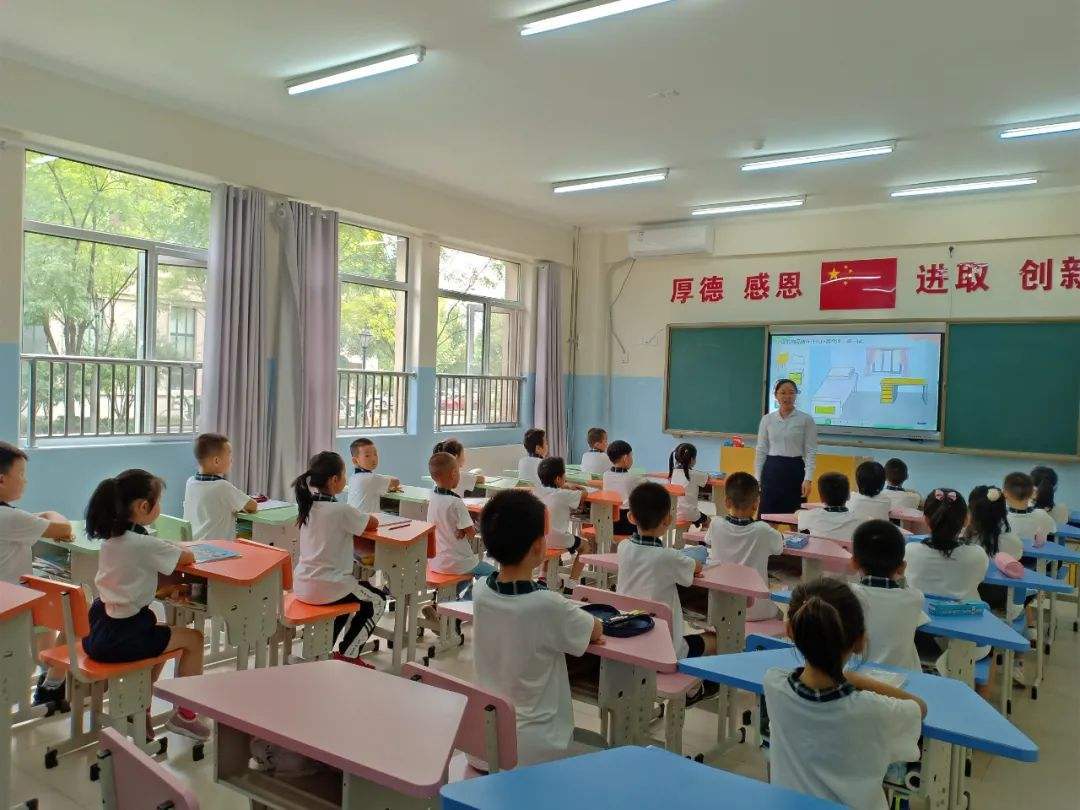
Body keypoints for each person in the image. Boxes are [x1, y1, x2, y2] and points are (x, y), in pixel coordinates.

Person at [764, 578, 925, 810]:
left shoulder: (774, 684)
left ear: (789, 631)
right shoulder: (875, 709)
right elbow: (919, 708)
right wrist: (856, 678)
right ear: (859, 642)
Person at [473, 489, 602, 766]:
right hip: (534, 749)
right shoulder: (548, 605)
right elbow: (595, 631)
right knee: (606, 753)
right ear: (537, 548)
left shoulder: (480, 590)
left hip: (483, 742)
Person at [83, 469, 210, 741]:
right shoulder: (142, 543)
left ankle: (140, 710)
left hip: (100, 631)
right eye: (158, 501)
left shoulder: (112, 539)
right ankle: (185, 716)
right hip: (125, 637)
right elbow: (186, 557)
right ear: (143, 506)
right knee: (194, 639)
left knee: (161, 637)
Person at [291, 451, 385, 668]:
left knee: (350, 597)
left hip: (303, 584)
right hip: (327, 585)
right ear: (334, 480)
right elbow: (371, 523)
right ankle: (350, 655)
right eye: (343, 475)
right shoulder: (341, 510)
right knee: (378, 600)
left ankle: (327, 649)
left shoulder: (307, 505)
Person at [0, 442, 73, 707]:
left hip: (14, 603)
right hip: (13, 608)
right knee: (75, 610)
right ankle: (53, 683)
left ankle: (47, 680)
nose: (25, 481)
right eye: (21, 474)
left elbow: (24, 522)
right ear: (2, 479)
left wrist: (37, 518)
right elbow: (63, 528)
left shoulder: (11, 517)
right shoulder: (10, 519)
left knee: (47, 619)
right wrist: (50, 513)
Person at [616, 481, 714, 659]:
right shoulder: (669, 557)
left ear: (630, 517)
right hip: (666, 649)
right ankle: (709, 684)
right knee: (716, 639)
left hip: (628, 638)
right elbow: (696, 567)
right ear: (668, 519)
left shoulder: (623, 547)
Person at [850, 520, 928, 671]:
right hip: (902, 683)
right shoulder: (915, 598)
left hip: (856, 678)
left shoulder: (845, 595)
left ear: (854, 562)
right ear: (902, 566)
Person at [705, 472, 783, 620]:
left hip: (721, 608)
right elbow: (779, 548)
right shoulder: (763, 530)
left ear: (727, 502)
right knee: (780, 614)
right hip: (756, 610)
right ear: (756, 503)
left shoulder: (715, 524)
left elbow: (708, 540)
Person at [904, 488, 987, 602]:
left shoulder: (910, 550)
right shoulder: (977, 554)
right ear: (966, 521)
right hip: (964, 615)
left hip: (920, 612)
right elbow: (979, 579)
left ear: (926, 520)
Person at [427, 452, 496, 580]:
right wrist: (478, 522)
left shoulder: (433, 497)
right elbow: (471, 533)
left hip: (436, 562)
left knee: (465, 577)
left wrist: (462, 528)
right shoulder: (456, 502)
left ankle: (464, 595)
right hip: (459, 563)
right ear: (454, 473)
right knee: (496, 574)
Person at [755, 379, 817, 514]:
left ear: (796, 395)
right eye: (782, 393)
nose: (787, 397)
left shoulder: (806, 419)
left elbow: (811, 451)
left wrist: (808, 479)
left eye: (791, 393)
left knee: (796, 519)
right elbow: (761, 450)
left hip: (795, 470)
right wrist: (757, 478)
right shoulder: (767, 419)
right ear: (776, 395)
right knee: (767, 518)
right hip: (771, 471)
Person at [183, 432, 256, 541]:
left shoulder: (190, 482)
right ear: (216, 461)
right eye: (229, 455)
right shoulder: (222, 486)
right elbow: (252, 506)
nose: (231, 459)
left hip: (194, 545)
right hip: (218, 549)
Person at [966, 485, 1022, 615]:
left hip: (967, 595)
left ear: (971, 511)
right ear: (1003, 511)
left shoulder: (962, 538)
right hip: (999, 598)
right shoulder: (1013, 541)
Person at [535, 457, 591, 587]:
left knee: (548, 540)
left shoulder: (536, 492)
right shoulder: (563, 494)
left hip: (538, 538)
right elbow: (584, 494)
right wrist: (572, 486)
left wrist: (564, 485)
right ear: (558, 479)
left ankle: (542, 578)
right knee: (586, 546)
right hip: (557, 539)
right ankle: (572, 583)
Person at [797, 473, 862, 541]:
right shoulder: (859, 520)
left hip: (820, 551)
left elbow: (798, 514)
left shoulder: (811, 516)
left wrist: (800, 512)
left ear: (821, 497)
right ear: (848, 496)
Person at [347, 437, 401, 514]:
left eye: (375, 454)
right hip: (366, 523)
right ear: (355, 460)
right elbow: (396, 482)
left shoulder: (353, 477)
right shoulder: (371, 478)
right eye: (367, 456)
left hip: (353, 520)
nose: (373, 458)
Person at [602, 440, 644, 536]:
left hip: (609, 518)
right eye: (631, 456)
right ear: (625, 458)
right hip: (627, 521)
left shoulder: (606, 475)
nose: (632, 459)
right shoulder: (632, 478)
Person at [1003, 471, 1057, 541]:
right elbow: (1053, 530)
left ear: (1004, 493)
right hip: (1035, 550)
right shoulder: (1042, 515)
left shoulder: (999, 519)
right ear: (1033, 492)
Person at [668, 442, 710, 528]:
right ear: (691, 460)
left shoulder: (672, 473)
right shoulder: (695, 474)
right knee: (708, 520)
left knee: (694, 516)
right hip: (690, 513)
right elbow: (708, 477)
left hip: (673, 512)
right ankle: (702, 540)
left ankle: (689, 537)